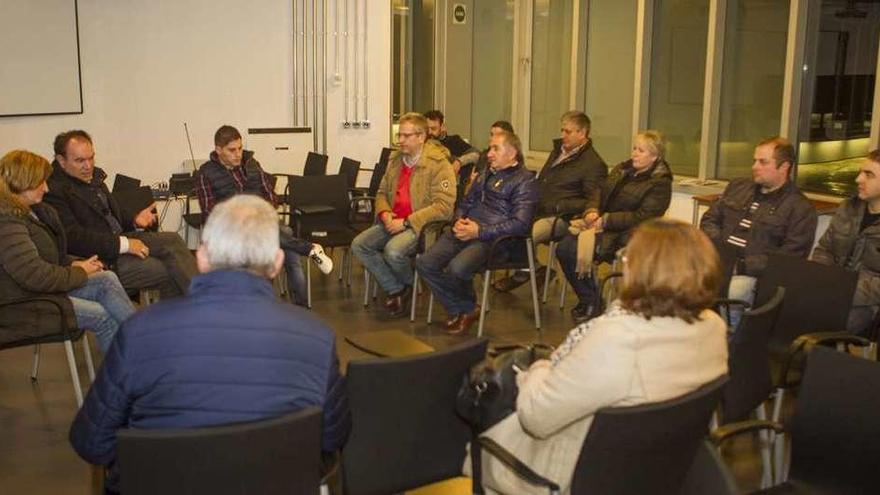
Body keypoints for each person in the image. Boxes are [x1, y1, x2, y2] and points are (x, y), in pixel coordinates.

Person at [69, 195, 351, 492]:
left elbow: (91, 442)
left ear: (201, 258)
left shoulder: (139, 333)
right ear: (277, 263)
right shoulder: (316, 336)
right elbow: (333, 438)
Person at [469, 219, 728, 495]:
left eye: (628, 257)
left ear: (645, 272)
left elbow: (535, 417)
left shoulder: (618, 339)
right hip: (658, 467)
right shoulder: (713, 326)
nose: (624, 264)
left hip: (578, 472)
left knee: (483, 427)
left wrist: (541, 367)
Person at [0, 150, 135, 353]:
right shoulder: (7, 224)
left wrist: (74, 263)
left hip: (42, 293)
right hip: (23, 305)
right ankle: (124, 378)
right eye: (40, 183)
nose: (46, 188)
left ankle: (141, 342)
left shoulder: (34, 211)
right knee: (103, 316)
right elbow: (35, 276)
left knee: (106, 278)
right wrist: (79, 272)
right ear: (22, 183)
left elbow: (51, 257)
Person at [44, 130, 197, 299]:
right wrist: (124, 244)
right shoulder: (54, 191)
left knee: (173, 240)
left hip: (118, 239)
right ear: (61, 161)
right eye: (80, 160)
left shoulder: (95, 178)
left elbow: (109, 213)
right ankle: (196, 310)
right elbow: (74, 238)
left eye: (91, 158)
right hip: (100, 256)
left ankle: (201, 304)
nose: (88, 166)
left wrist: (134, 219)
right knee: (166, 268)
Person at [416, 130, 538, 335]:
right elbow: (467, 202)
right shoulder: (486, 174)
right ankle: (465, 308)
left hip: (495, 241)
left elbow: (520, 224)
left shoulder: (525, 181)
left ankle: (464, 309)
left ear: (512, 153)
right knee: (425, 263)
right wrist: (458, 220)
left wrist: (479, 231)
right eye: (490, 148)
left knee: (457, 269)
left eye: (495, 148)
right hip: (466, 230)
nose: (489, 153)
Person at [196, 125, 332, 306]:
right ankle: (310, 249)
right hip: (231, 230)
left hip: (261, 222)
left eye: (240, 148)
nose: (238, 154)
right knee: (278, 242)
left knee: (284, 245)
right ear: (218, 150)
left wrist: (261, 213)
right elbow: (209, 212)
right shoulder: (206, 173)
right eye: (232, 150)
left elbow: (270, 195)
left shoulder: (252, 164)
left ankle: (300, 307)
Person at [556, 130, 673, 322]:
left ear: (654, 156)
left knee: (572, 249)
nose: (634, 153)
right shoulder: (622, 169)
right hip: (599, 224)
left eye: (641, 150)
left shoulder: (660, 183)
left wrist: (608, 220)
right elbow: (599, 191)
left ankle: (591, 301)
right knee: (564, 249)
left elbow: (645, 216)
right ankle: (590, 297)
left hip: (625, 233)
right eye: (635, 148)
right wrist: (592, 210)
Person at [351, 113, 456, 316]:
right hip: (392, 221)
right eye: (400, 135)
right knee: (359, 245)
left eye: (406, 136)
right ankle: (399, 288)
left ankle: (409, 286)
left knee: (393, 251)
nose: (400, 141)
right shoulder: (396, 160)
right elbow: (381, 192)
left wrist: (406, 222)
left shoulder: (439, 164)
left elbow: (444, 207)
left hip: (420, 227)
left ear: (421, 137)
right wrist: (385, 212)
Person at [493, 111, 607, 293]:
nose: (563, 136)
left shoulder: (593, 164)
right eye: (562, 130)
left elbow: (592, 201)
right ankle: (537, 269)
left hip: (563, 217)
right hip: (539, 208)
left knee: (527, 233)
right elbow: (543, 180)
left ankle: (523, 273)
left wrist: (560, 206)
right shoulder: (558, 152)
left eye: (568, 132)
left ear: (582, 133)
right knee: (505, 223)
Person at [700, 136, 817, 309]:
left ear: (784, 167)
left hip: (751, 274)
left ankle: (733, 335)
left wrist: (740, 266)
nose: (755, 167)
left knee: (735, 290)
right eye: (754, 161)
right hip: (719, 260)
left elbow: (788, 258)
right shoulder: (738, 187)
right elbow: (709, 220)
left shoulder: (800, 208)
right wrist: (721, 252)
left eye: (763, 162)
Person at [812, 149, 880, 335]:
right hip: (832, 288)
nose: (858, 179)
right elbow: (824, 249)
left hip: (866, 304)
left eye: (869, 175)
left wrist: (844, 289)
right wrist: (823, 279)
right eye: (860, 172)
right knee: (788, 308)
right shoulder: (848, 208)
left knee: (823, 325)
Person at [425, 109, 480, 177]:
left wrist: (459, 162)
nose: (429, 132)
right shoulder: (422, 143)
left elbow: (476, 154)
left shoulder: (453, 141)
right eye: (427, 129)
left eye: (433, 129)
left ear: (442, 127)